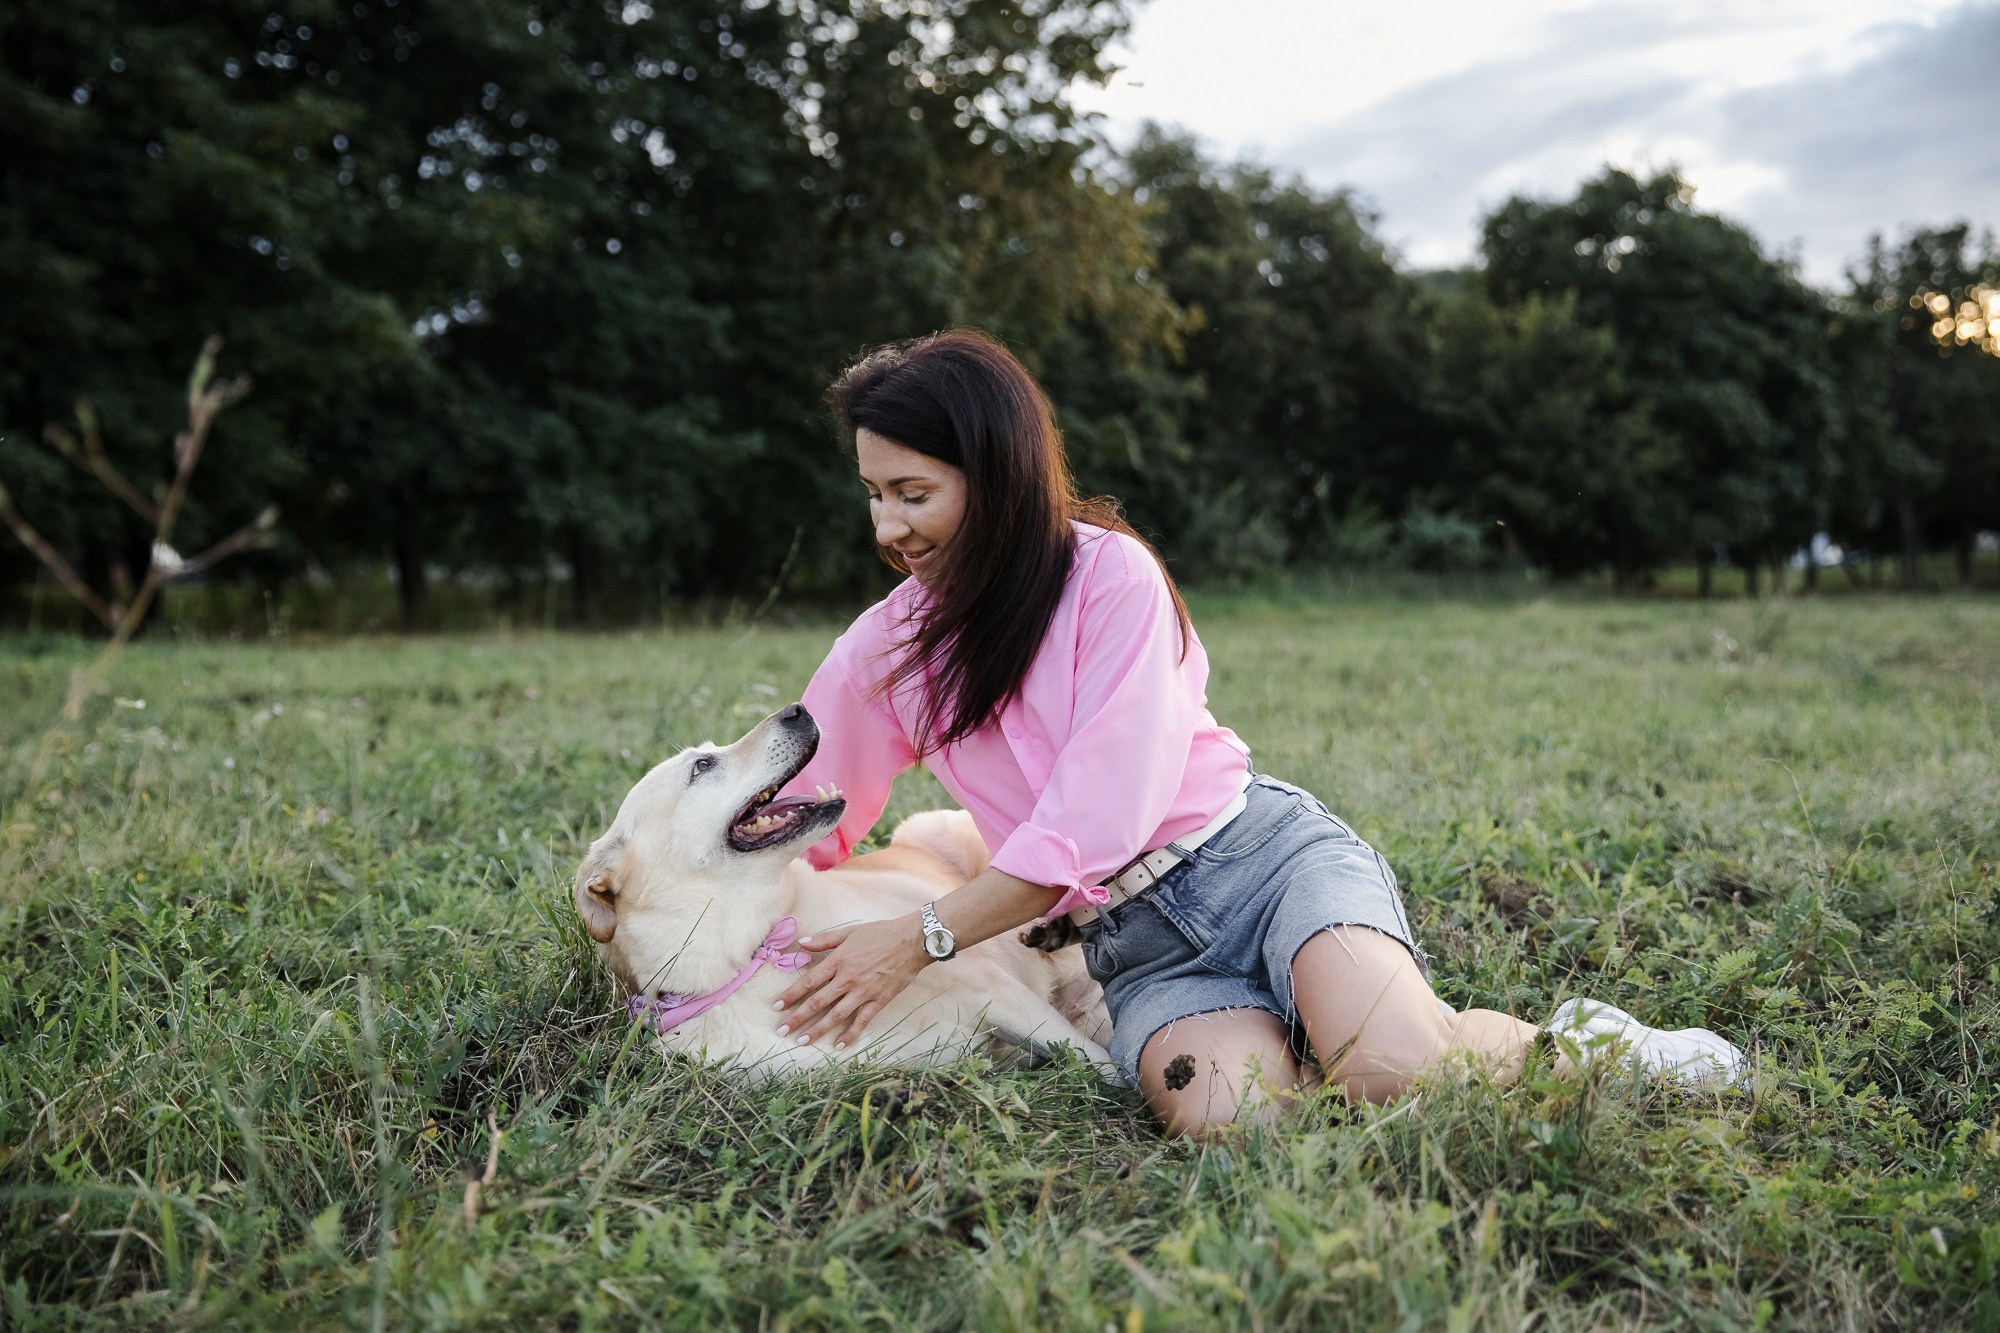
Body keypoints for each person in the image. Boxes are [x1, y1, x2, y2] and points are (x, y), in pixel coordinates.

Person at [768, 329, 1745, 1138]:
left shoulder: (1108, 578)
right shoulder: (882, 652)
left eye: (912, 492)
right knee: (1239, 1124)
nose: (887, 527)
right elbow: (802, 809)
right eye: (872, 494)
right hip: (1139, 947)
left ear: (994, 474)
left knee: (1393, 1066)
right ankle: (1319, 1025)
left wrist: (917, 935)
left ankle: (1585, 1041)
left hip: (1255, 862)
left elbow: (1094, 820)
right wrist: (685, 912)